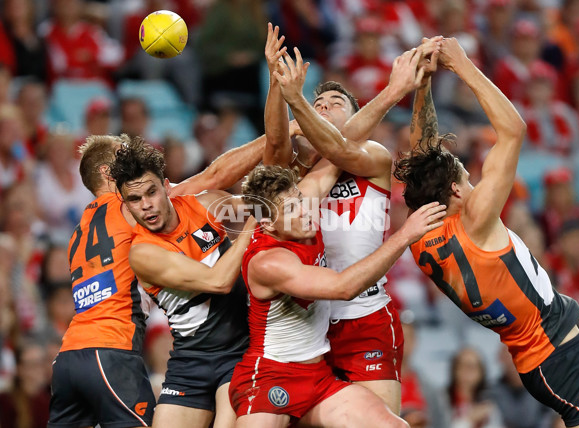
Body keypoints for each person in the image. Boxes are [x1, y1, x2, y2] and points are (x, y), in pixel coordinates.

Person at [394, 37, 579, 427]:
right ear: (455, 191)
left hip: (541, 357)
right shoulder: (475, 219)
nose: (474, 181)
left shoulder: (423, 233)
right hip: (556, 353)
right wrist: (463, 64)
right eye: (467, 178)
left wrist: (423, 84)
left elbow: (423, 154)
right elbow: (513, 129)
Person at [262, 23, 440, 413]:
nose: (322, 106)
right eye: (317, 103)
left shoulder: (373, 155)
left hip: (364, 317)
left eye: (334, 104)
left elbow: (339, 146)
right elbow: (274, 145)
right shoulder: (296, 173)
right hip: (306, 322)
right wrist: (279, 85)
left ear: (359, 118)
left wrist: (299, 102)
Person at [49, 133, 266, 428]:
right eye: (122, 154)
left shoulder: (80, 230)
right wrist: (273, 139)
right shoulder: (128, 207)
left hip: (68, 356)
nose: (130, 160)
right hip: (112, 349)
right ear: (108, 173)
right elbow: (214, 175)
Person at [229, 163, 445, 427]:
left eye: (299, 200)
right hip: (270, 377)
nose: (306, 211)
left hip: (316, 377)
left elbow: (338, 152)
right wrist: (404, 236)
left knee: (394, 425)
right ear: (268, 224)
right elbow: (343, 287)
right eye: (290, 209)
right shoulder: (268, 262)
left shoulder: (300, 215)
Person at [109, 137, 257, 428]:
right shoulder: (143, 253)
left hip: (239, 352)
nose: (147, 206)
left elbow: (262, 206)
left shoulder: (206, 205)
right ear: (126, 205)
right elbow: (219, 282)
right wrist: (251, 229)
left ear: (166, 186)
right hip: (189, 362)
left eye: (151, 192)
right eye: (135, 200)